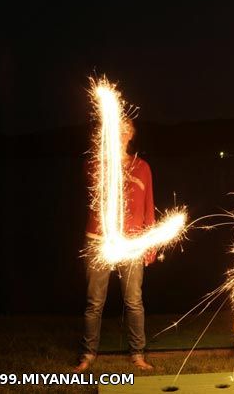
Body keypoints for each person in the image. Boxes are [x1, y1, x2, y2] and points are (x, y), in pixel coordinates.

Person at [75, 118, 157, 373]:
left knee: (133, 300)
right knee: (94, 302)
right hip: (99, 241)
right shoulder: (95, 164)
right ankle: (88, 355)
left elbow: (147, 207)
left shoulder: (143, 167)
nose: (121, 132)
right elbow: (91, 184)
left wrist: (150, 243)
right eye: (115, 128)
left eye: (126, 129)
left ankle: (138, 354)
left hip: (131, 243)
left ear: (132, 134)